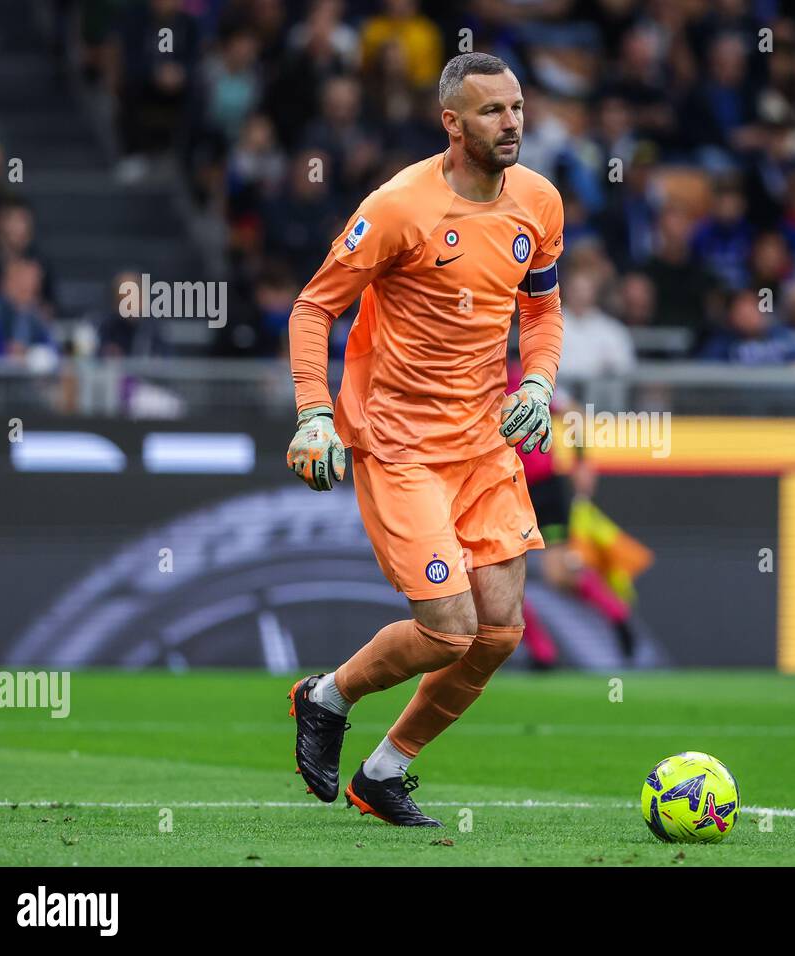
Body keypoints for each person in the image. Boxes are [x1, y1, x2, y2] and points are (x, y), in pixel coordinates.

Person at [283, 53, 564, 828]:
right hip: (400, 443)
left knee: (500, 630)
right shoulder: (399, 207)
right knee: (449, 632)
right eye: (491, 112)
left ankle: (384, 771)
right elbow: (314, 309)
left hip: (482, 440)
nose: (511, 123)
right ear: (452, 122)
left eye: (515, 107)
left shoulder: (539, 202)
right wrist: (313, 413)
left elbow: (540, 311)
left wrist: (536, 384)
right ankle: (328, 696)